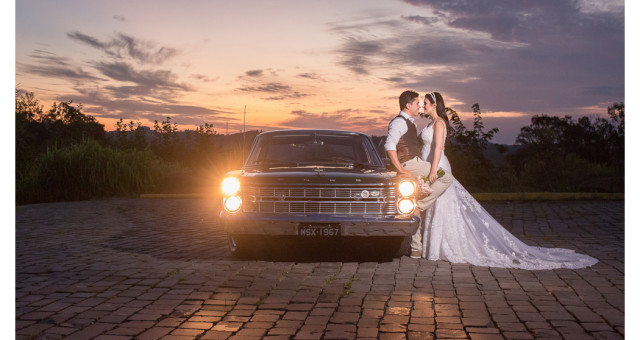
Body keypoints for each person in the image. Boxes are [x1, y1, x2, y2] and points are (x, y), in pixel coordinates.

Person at [417, 91, 598, 269]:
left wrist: (433, 170)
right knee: (435, 204)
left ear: (434, 105)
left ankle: (446, 246)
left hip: (438, 167)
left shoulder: (439, 123)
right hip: (428, 166)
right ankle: (434, 246)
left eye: (425, 103)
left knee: (442, 204)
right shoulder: (430, 123)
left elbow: (439, 148)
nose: (422, 106)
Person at [385, 90, 453, 259]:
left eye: (423, 104)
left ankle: (416, 249)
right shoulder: (399, 122)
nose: (420, 106)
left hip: (415, 163)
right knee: (446, 177)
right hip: (410, 164)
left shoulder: (411, 123)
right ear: (408, 105)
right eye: (417, 103)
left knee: (413, 199)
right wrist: (401, 169)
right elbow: (389, 145)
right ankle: (420, 206)